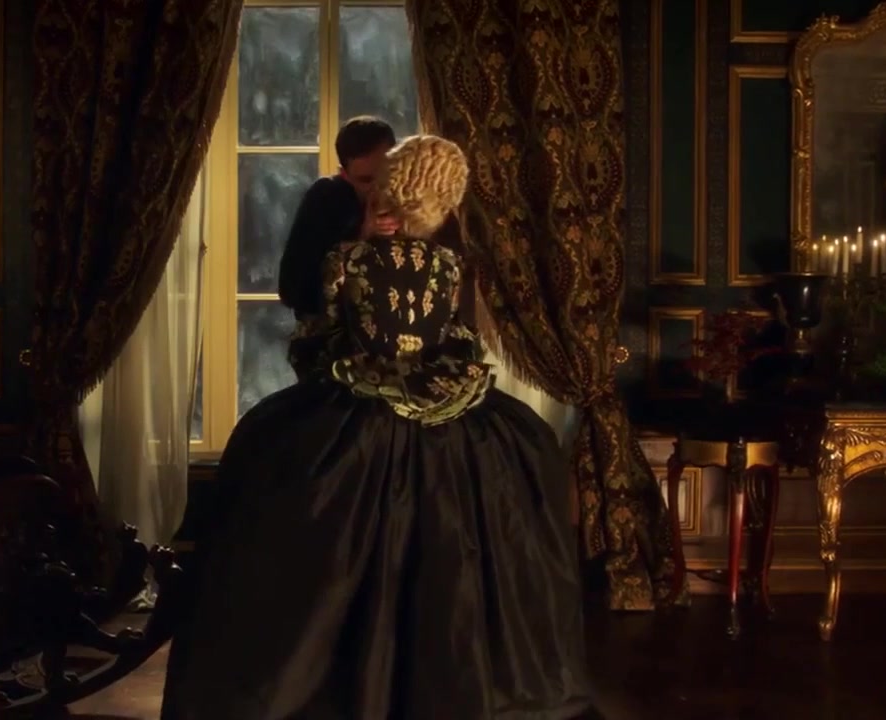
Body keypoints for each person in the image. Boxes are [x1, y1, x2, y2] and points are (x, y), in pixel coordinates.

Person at [161, 135, 597, 719]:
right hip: (451, 418)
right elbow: (454, 342)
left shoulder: (348, 259)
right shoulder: (448, 265)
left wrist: (361, 252)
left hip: (356, 415)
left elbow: (324, 338)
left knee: (294, 507)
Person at [277, 115, 400, 319]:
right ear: (345, 174)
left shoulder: (411, 195)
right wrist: (361, 237)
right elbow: (293, 291)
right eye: (367, 180)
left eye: (386, 175)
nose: (379, 187)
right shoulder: (325, 199)